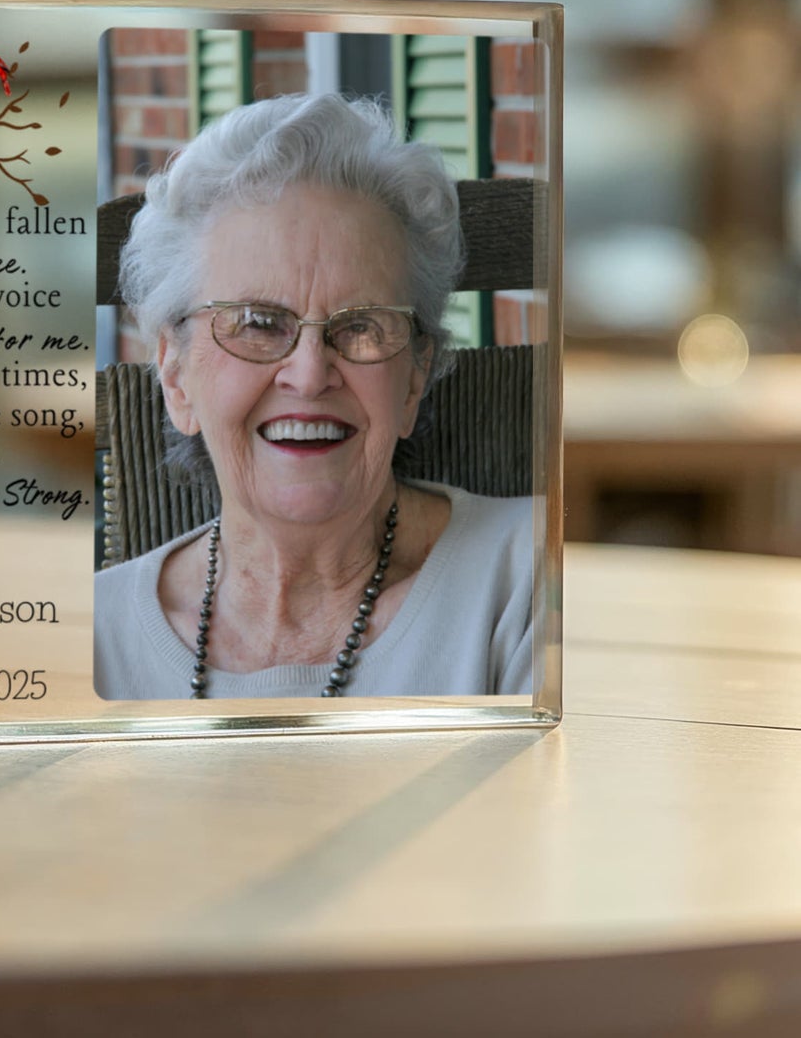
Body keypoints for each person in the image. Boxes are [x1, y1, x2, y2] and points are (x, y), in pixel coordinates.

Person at [94, 92, 532, 700]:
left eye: (361, 325)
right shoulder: (93, 637)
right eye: (256, 322)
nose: (308, 375)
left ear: (414, 377)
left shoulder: (531, 578)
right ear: (175, 374)